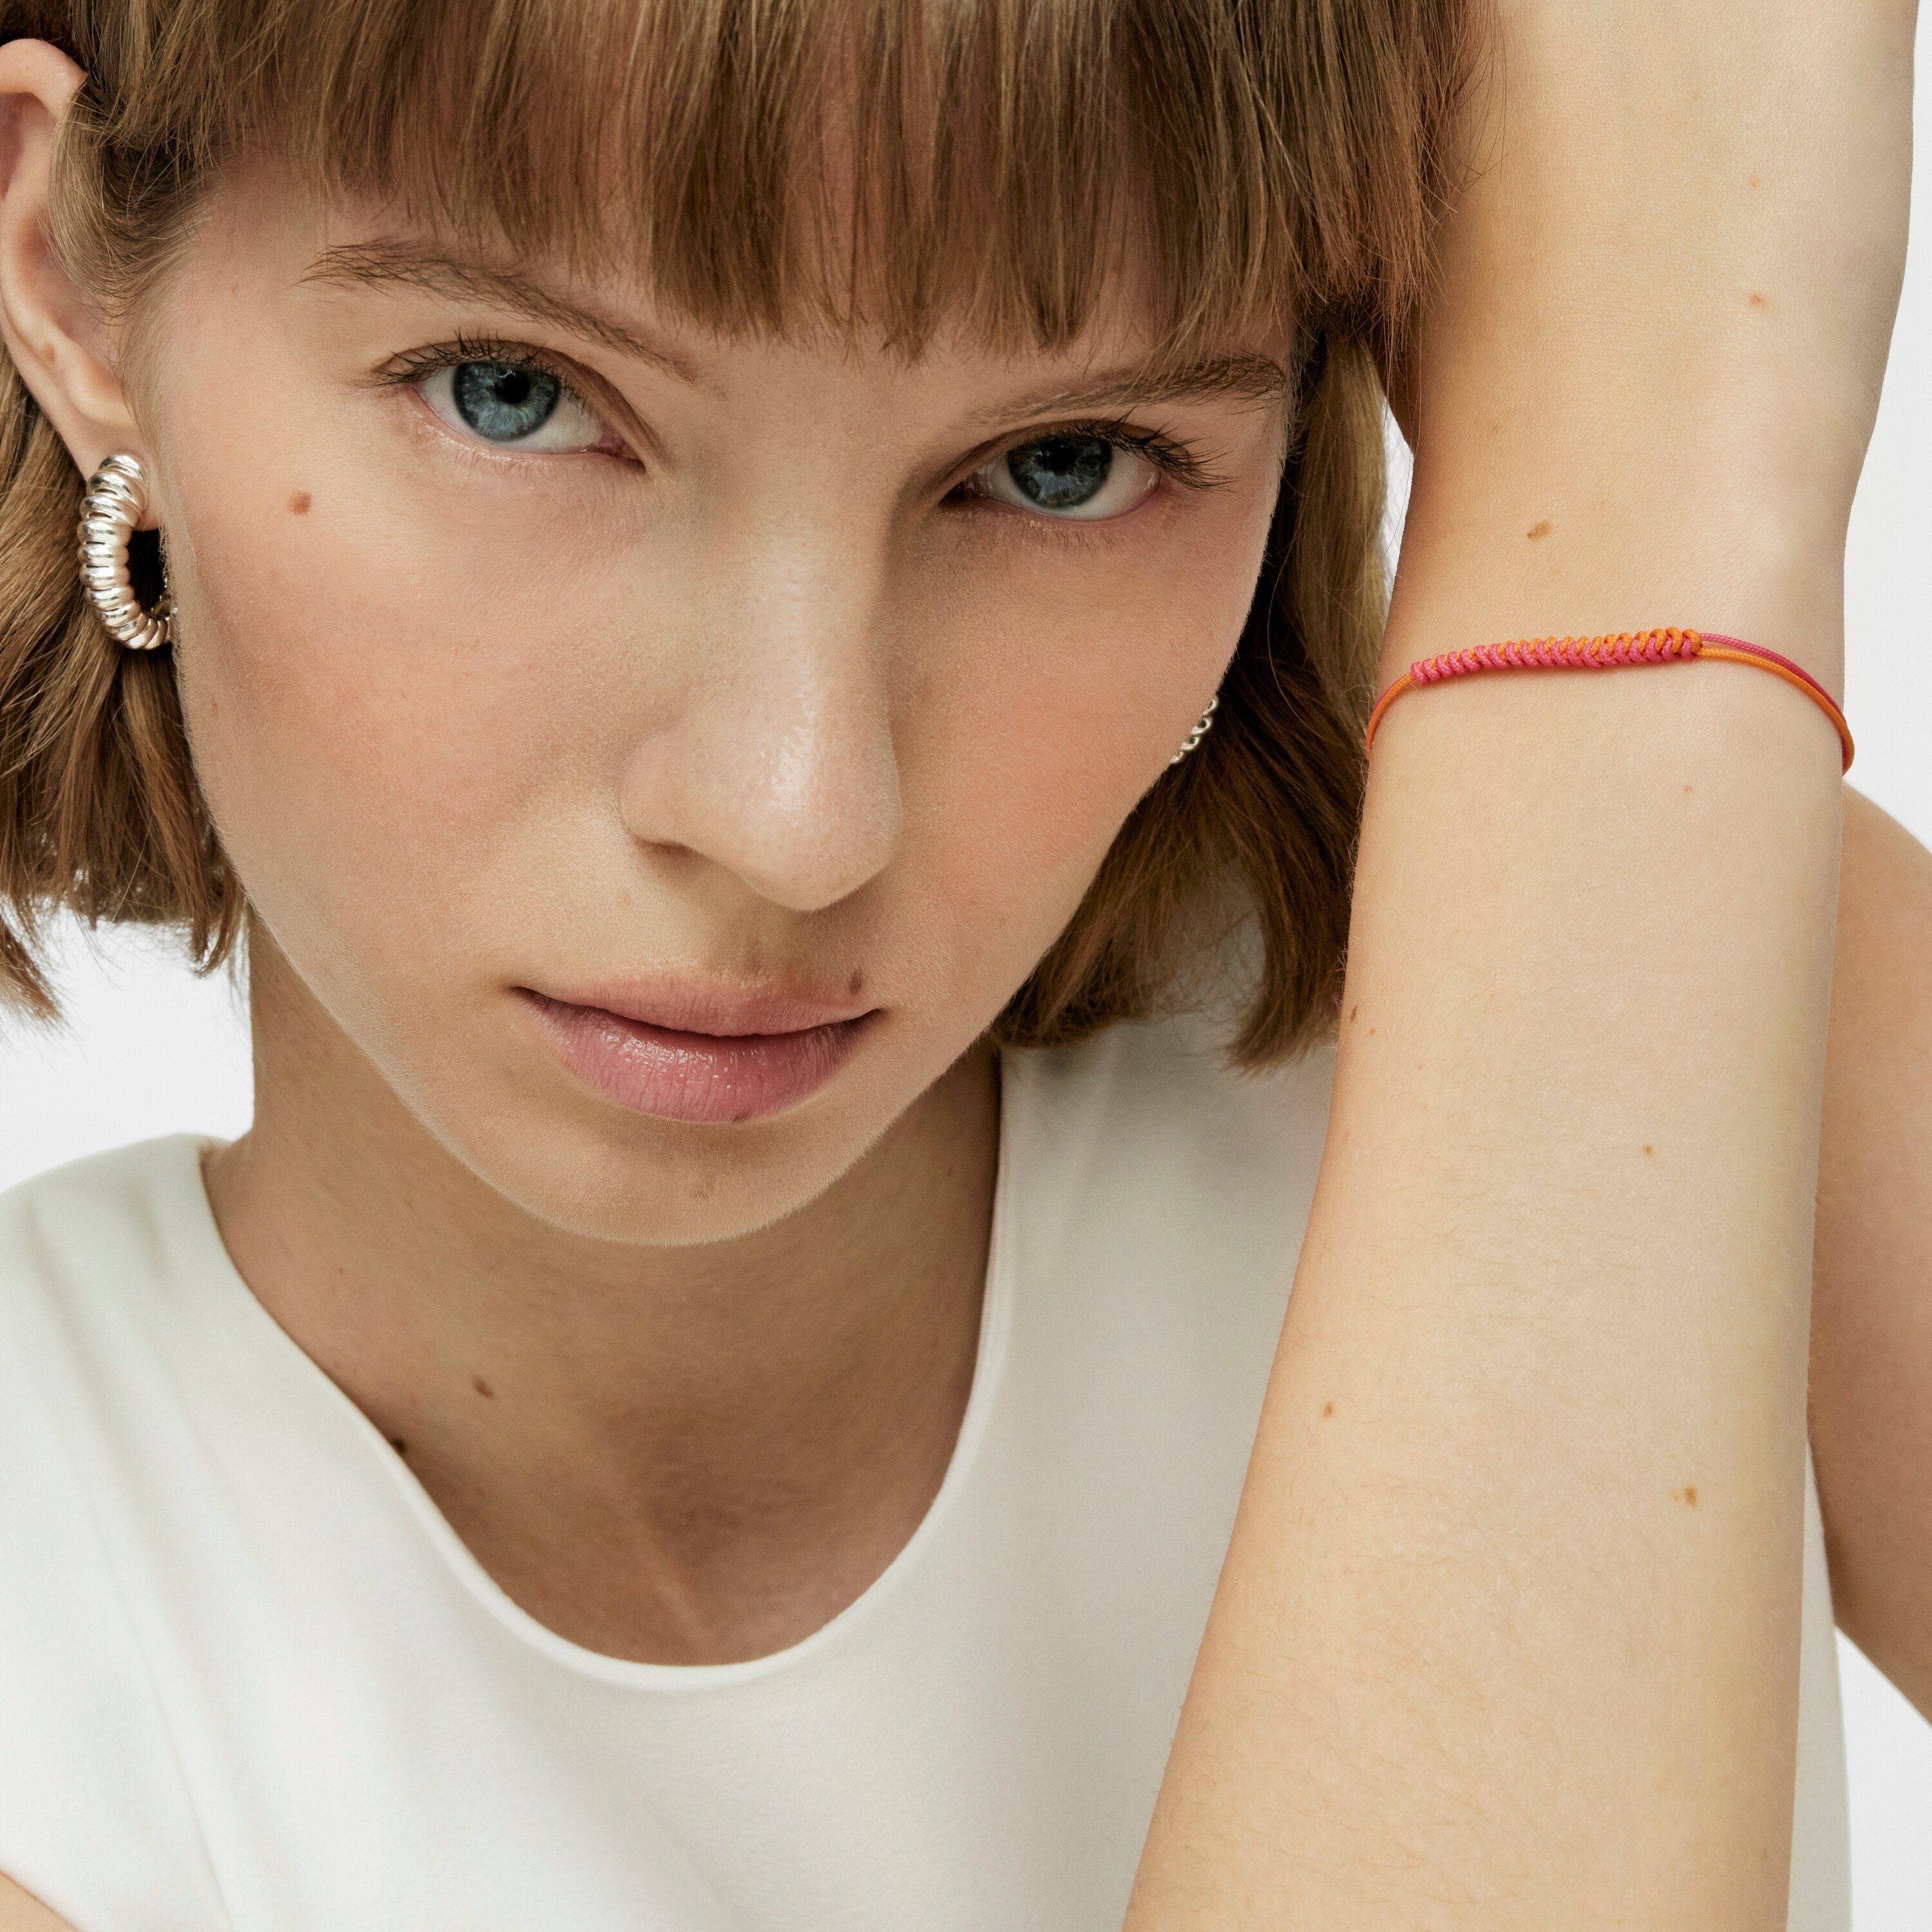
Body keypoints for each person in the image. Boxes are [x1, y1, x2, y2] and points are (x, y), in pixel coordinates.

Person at [0, 0, 1920, 1926]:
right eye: (514, 393)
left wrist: (1624, 569)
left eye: (1068, 465)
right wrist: (1643, 524)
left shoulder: (1630, 905)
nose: (798, 810)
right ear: (68, 275)